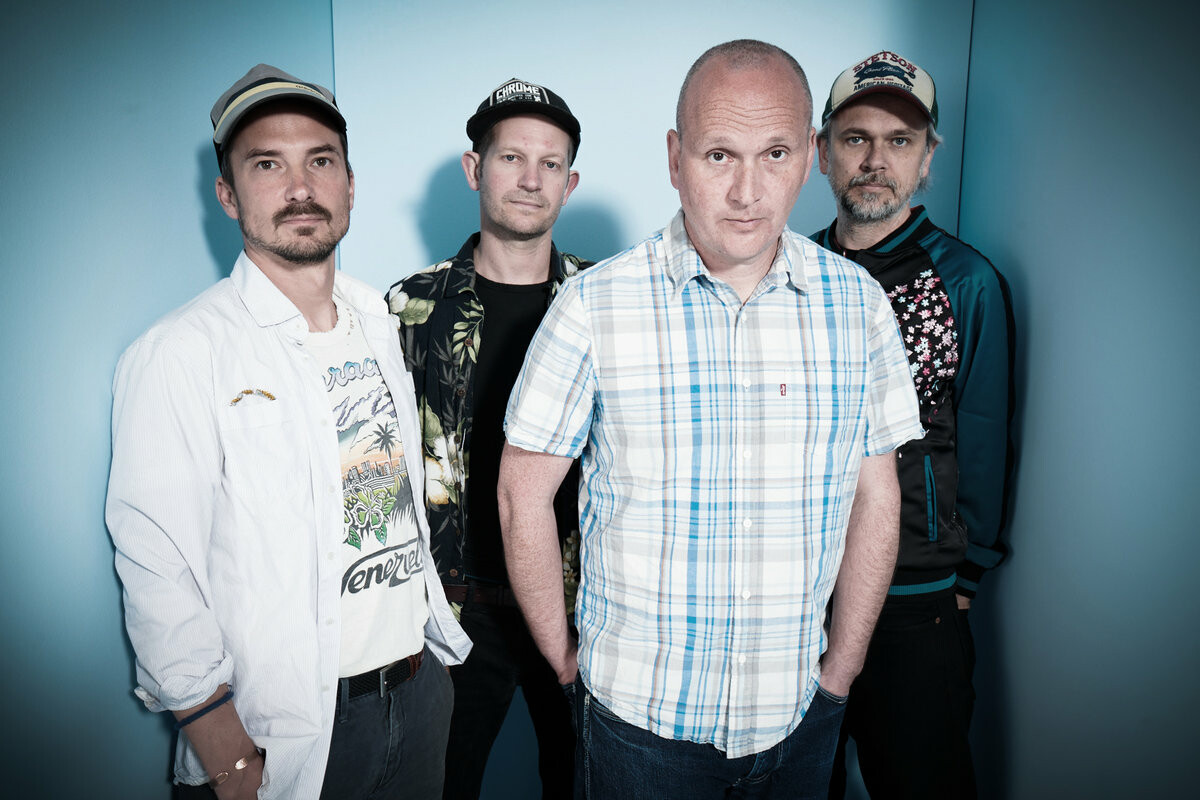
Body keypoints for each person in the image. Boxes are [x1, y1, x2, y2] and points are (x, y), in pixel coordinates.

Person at [497, 40, 925, 799]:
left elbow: (877, 495)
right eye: (719, 155)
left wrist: (841, 671)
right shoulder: (592, 306)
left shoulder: (859, 307)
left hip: (799, 716)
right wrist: (565, 664)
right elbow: (520, 494)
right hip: (636, 724)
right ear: (675, 158)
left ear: (810, 157)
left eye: (775, 154)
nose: (747, 191)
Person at [106, 64, 470, 800]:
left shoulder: (376, 319)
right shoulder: (181, 351)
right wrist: (226, 753)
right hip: (289, 730)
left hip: (418, 696)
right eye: (267, 165)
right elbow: (155, 561)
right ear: (228, 194)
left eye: (320, 162)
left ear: (350, 185)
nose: (300, 188)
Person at [811, 50, 1013, 800]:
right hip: (799, 596)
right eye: (856, 138)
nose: (876, 160)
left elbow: (984, 430)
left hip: (916, 596)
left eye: (900, 141)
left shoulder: (964, 281)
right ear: (822, 153)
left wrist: (965, 576)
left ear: (927, 159)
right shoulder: (791, 270)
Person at [387, 77, 590, 799]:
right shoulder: (409, 308)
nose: (531, 179)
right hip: (453, 607)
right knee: (442, 784)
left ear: (569, 184)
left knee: (586, 782)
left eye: (550, 163)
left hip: (580, 603)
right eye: (511, 158)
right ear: (475, 169)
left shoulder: (603, 302)